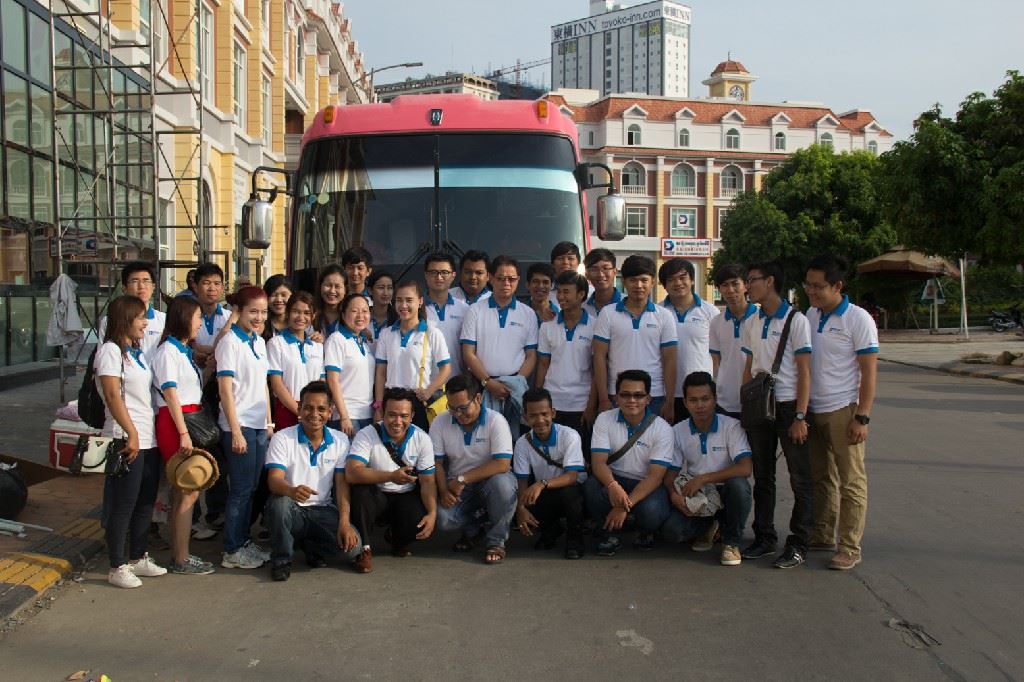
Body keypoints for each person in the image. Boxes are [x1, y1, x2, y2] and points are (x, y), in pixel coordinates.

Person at [804, 254, 878, 571]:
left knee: (851, 481)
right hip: (813, 409)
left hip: (843, 409)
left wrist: (862, 416)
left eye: (818, 287)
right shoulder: (810, 314)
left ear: (837, 286)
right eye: (808, 286)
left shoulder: (858, 319)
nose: (812, 292)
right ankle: (822, 534)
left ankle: (849, 546)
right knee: (821, 477)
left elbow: (869, 372)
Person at [740, 261, 814, 569]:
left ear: (770, 281)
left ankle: (799, 543)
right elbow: (749, 367)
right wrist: (745, 404)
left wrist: (800, 416)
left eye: (752, 280)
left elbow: (804, 371)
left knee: (800, 478)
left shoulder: (796, 320)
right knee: (763, 475)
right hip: (760, 405)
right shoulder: (752, 321)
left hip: (788, 406)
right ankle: (764, 536)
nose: (747, 286)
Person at [95, 295, 167, 588]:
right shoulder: (109, 351)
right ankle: (117, 565)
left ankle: (138, 556)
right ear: (125, 319)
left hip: (147, 438)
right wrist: (132, 433)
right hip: (125, 438)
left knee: (145, 501)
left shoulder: (135, 353)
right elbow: (112, 395)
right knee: (123, 504)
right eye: (139, 318)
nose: (145, 323)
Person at [263, 381, 362, 581]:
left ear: (330, 412)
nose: (314, 414)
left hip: (323, 509)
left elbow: (342, 485)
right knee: (279, 505)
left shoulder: (340, 440)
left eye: (321, 409)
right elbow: (274, 481)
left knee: (353, 548)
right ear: (299, 409)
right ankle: (282, 560)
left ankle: (310, 546)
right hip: (292, 508)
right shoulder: (282, 438)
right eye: (308, 408)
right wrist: (291, 491)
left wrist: (344, 523)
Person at [151, 296, 215, 575]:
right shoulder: (167, 352)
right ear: (184, 318)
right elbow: (171, 395)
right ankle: (181, 557)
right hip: (177, 422)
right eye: (198, 317)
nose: (200, 323)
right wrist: (183, 433)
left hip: (186, 421)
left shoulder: (183, 351)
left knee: (185, 491)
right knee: (188, 490)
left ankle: (181, 554)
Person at [662, 372, 753, 567]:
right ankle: (709, 526)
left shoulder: (731, 426)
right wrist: (673, 495)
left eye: (705, 399)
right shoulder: (677, 431)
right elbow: (670, 474)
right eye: (693, 400)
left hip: (725, 490)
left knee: (739, 486)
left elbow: (745, 468)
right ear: (685, 403)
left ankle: (731, 542)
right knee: (673, 532)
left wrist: (703, 478)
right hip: (698, 495)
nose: (700, 405)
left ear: (715, 400)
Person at [345, 387, 438, 572]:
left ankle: (396, 537)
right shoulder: (367, 434)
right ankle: (364, 549)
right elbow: (352, 473)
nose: (397, 421)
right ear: (382, 413)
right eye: (392, 415)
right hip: (376, 495)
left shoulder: (422, 438)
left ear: (412, 416)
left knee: (419, 519)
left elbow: (428, 481)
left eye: (404, 416)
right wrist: (390, 476)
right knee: (361, 492)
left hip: (405, 495)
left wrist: (433, 513)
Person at [585, 369, 675, 556]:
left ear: (648, 399)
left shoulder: (663, 429)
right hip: (615, 479)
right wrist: (612, 485)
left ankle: (644, 531)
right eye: (625, 395)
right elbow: (598, 464)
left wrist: (622, 506)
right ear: (616, 398)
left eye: (638, 395)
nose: (632, 400)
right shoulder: (604, 419)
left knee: (652, 511)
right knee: (591, 486)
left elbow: (655, 477)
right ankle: (611, 534)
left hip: (646, 484)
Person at [430, 374, 518, 565]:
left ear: (478, 398)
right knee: (444, 519)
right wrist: (443, 491)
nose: (458, 414)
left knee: (503, 486)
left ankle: (496, 541)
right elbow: (437, 463)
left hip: (491, 481)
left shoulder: (496, 421)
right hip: (458, 487)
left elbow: (502, 464)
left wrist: (462, 479)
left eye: (463, 408)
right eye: (452, 408)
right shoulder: (440, 422)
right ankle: (474, 529)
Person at [215, 286, 273, 570]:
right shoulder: (230, 342)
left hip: (259, 424)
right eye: (253, 312)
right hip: (239, 426)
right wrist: (236, 430)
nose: (259, 317)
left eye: (263, 312)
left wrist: (269, 421)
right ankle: (232, 549)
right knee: (240, 489)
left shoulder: (258, 341)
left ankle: (242, 540)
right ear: (239, 311)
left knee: (251, 487)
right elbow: (225, 389)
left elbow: (263, 385)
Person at [460, 255, 539, 438]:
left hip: (515, 390)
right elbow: (468, 353)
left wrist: (515, 384)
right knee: (485, 438)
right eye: (501, 278)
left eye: (511, 279)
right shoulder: (475, 311)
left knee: (517, 439)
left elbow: (531, 355)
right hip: (483, 386)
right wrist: (488, 382)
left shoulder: (527, 313)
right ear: (490, 278)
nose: (506, 283)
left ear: (518, 280)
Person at [592, 255, 677, 421]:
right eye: (633, 280)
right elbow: (599, 357)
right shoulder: (608, 314)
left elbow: (670, 360)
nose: (638, 285)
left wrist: (670, 401)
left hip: (654, 396)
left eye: (644, 280)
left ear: (652, 282)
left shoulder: (664, 316)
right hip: (617, 395)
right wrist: (603, 398)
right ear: (624, 282)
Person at [513, 388, 586, 560]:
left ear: (553, 413)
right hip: (545, 490)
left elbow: (572, 476)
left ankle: (575, 540)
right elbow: (522, 481)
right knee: (528, 497)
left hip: (572, 489)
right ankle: (550, 530)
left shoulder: (569, 435)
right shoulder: (522, 443)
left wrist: (541, 484)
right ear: (525, 417)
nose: (540, 420)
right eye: (533, 415)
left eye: (544, 414)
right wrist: (521, 509)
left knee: (569, 494)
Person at [374, 281, 451, 430]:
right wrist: (378, 405)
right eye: (399, 300)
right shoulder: (386, 334)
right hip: (391, 400)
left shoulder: (432, 333)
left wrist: (429, 391)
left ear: (420, 301)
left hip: (418, 401)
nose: (403, 305)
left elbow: (446, 368)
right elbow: (381, 373)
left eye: (409, 300)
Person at [535, 271, 596, 456]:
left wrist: (591, 405)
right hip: (553, 402)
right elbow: (543, 364)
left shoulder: (596, 326)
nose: (561, 297)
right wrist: (537, 398)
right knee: (553, 454)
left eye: (566, 292)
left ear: (581, 295)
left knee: (580, 455)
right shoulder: (547, 326)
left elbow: (597, 369)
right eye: (559, 292)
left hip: (581, 404)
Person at [659, 258, 719, 424]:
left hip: (701, 394)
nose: (678, 283)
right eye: (671, 280)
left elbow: (718, 356)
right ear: (664, 285)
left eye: (682, 277)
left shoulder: (710, 312)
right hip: (666, 394)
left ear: (692, 280)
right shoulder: (657, 312)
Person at [268, 292, 325, 431]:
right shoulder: (276, 343)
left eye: (306, 313)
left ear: (313, 316)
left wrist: (317, 409)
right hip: (288, 409)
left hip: (314, 412)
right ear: (287, 313)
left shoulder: (317, 345)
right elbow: (276, 383)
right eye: (296, 311)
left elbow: (322, 381)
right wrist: (300, 411)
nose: (301, 317)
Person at [709, 264, 757, 419]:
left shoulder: (760, 318)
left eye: (735, 284)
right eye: (724, 285)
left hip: (756, 399)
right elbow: (716, 361)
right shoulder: (716, 322)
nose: (730, 290)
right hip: (725, 401)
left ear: (746, 285)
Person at [325, 293, 376, 438]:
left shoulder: (364, 342)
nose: (360, 316)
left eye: (365, 311)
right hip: (347, 415)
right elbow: (332, 380)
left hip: (366, 414)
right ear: (343, 314)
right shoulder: (336, 339)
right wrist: (344, 416)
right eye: (354, 311)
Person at [97, 261, 165, 359]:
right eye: (135, 281)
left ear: (153, 287)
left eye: (146, 281)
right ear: (124, 288)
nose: (141, 286)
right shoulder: (110, 320)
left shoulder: (164, 320)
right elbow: (103, 357)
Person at [423, 251, 470, 378]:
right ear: (426, 275)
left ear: (453, 275)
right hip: (424, 384)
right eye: (433, 272)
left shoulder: (464, 309)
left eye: (444, 272)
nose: (439, 277)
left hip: (456, 382)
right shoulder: (416, 309)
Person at [192, 263, 231, 369]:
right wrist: (193, 353)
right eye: (206, 283)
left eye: (217, 283)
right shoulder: (187, 317)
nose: (212, 288)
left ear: (222, 288)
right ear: (195, 287)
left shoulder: (229, 318)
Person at [548, 241, 593, 306]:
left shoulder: (590, 293)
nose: (565, 262)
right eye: (560, 258)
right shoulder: (545, 292)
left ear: (578, 263)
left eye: (570, 258)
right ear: (553, 264)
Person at [582, 248, 621, 319]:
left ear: (615, 272)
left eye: (605, 268)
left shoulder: (628, 304)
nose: (600, 274)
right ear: (586, 275)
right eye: (594, 269)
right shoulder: (581, 308)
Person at [313, 265, 346, 337]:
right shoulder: (310, 313)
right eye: (328, 285)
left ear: (345, 289)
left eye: (337, 286)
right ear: (320, 287)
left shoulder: (350, 316)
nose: (332, 291)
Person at [366, 270, 396, 348]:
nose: (385, 293)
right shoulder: (362, 317)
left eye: (389, 288)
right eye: (381, 288)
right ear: (370, 290)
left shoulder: (398, 319)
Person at [262, 274, 293, 340]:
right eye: (273, 295)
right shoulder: (259, 324)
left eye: (284, 295)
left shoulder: (301, 323)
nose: (279, 300)